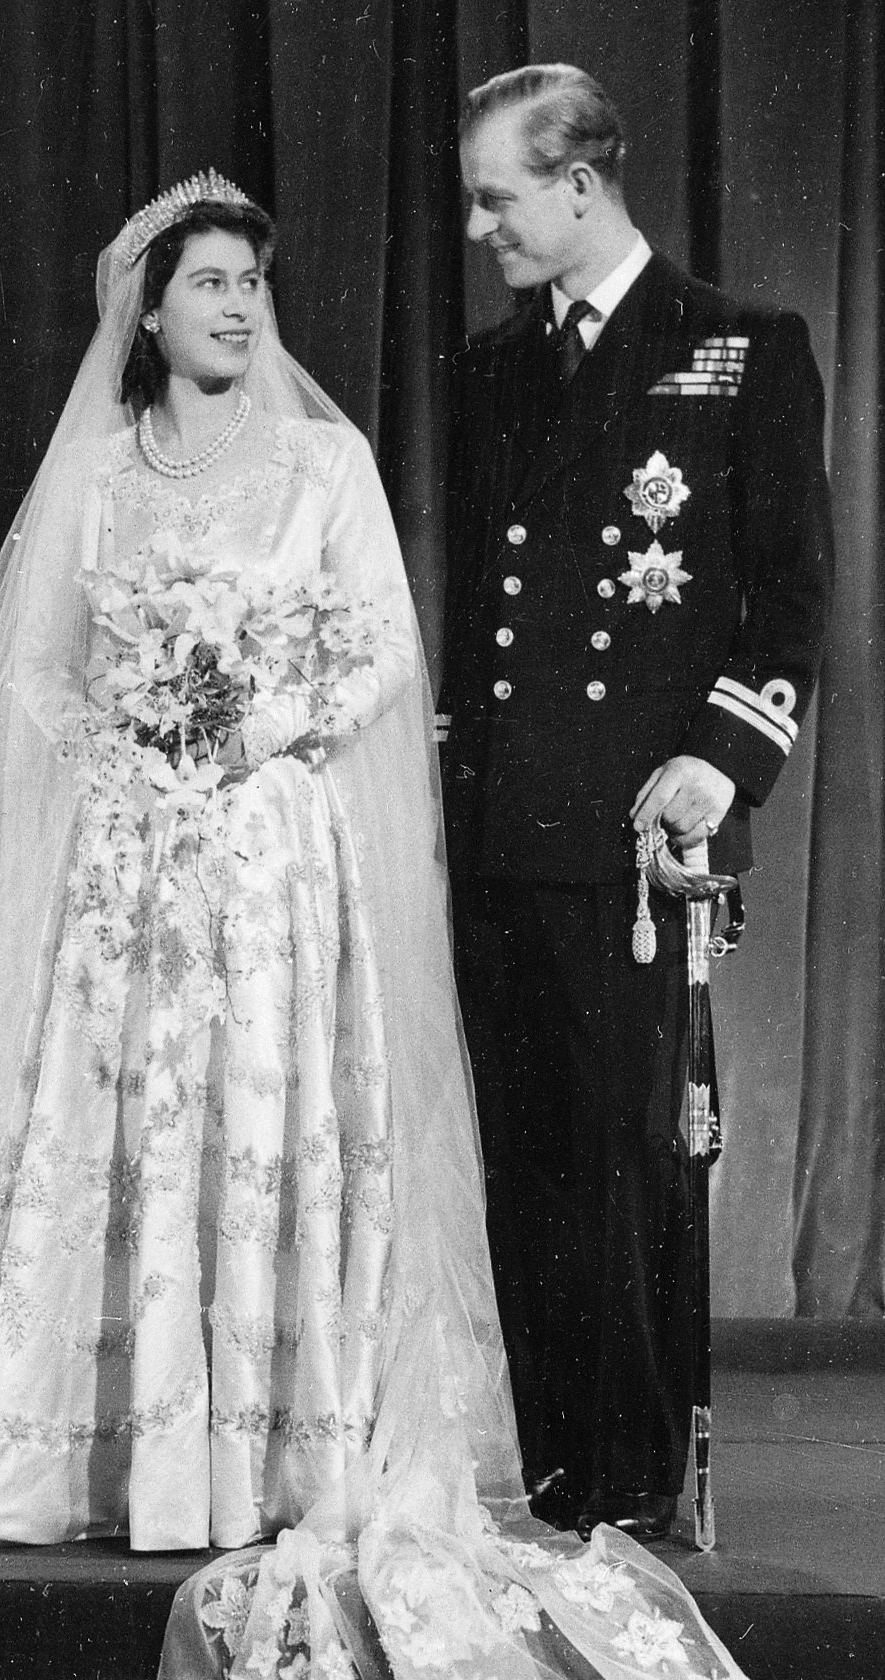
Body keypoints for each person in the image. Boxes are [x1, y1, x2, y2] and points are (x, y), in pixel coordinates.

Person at [0, 173, 751, 1680]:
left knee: (265, 1125)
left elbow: (382, 648)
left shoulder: (321, 462)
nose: (238, 307)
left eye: (252, 283)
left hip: (274, 845)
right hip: (129, 855)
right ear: (148, 312)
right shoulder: (99, 477)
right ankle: (109, 1451)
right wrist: (127, 750)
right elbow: (40, 666)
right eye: (211, 284)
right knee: (127, 1123)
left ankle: (271, 1452)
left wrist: (250, 732)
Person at [441, 65, 833, 1543]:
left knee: (624, 1158)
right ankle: (548, 1462)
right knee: (524, 1150)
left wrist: (725, 760)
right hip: (503, 822)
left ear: (581, 183)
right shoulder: (494, 370)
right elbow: (480, 610)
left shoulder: (738, 346)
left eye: (498, 198)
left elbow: (789, 592)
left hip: (640, 832)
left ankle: (626, 1475)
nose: (480, 228)